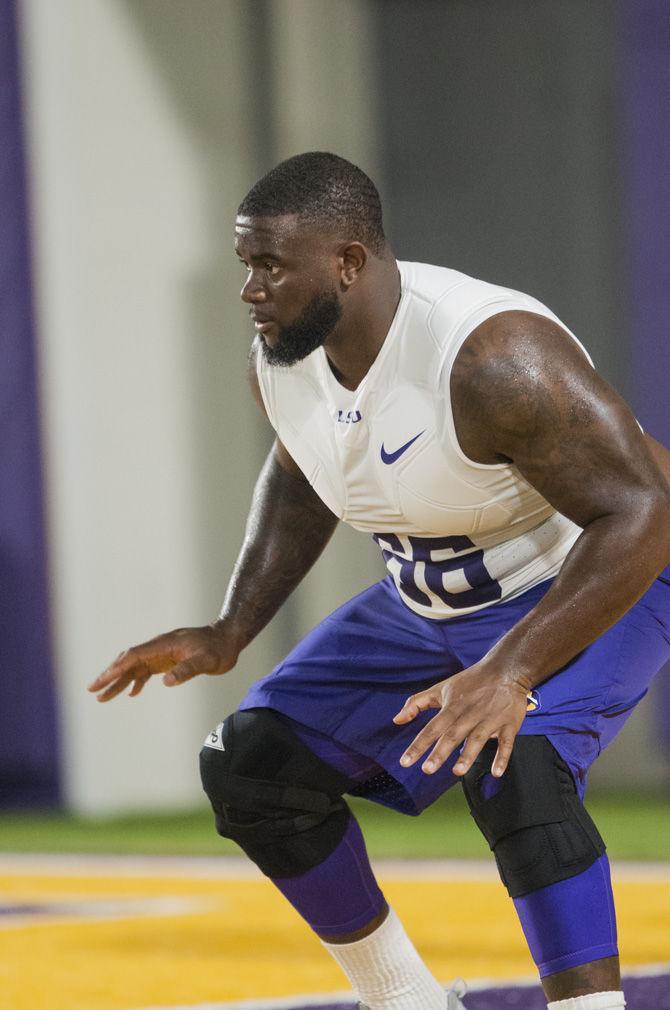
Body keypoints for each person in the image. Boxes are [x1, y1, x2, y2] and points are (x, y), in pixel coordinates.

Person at [89, 152, 670, 1010]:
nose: (249, 288)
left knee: (519, 763)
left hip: (587, 571)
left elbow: (644, 514)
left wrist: (509, 672)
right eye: (246, 263)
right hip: (427, 598)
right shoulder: (283, 358)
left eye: (268, 265)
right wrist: (230, 629)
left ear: (348, 262)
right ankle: (404, 999)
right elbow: (305, 475)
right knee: (252, 769)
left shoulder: (494, 357)